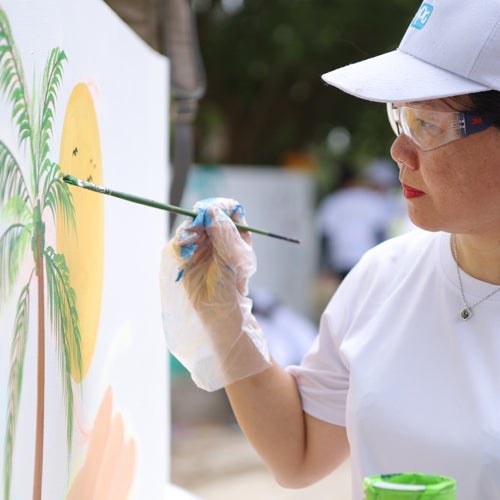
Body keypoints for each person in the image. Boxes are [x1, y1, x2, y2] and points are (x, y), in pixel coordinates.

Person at [160, 1, 500, 498]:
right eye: (400, 118)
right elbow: (299, 452)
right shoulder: (383, 277)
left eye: (427, 124)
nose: (398, 151)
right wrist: (226, 312)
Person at [316, 160, 398, 281]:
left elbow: (325, 236)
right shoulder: (371, 199)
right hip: (367, 256)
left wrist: (324, 265)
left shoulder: (332, 202)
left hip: (341, 258)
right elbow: (380, 231)